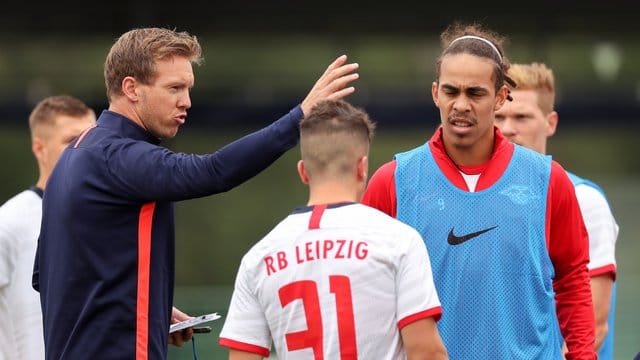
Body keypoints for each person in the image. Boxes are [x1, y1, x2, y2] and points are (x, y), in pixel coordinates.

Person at [32, 27, 359, 360]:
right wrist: (300, 116)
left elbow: (47, 275)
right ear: (131, 88)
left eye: (187, 88)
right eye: (174, 88)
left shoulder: (72, 156)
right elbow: (215, 171)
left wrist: (148, 307)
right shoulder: (119, 156)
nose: (186, 101)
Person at [362, 22, 596, 359]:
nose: (460, 104)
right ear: (434, 93)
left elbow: (573, 282)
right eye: (450, 91)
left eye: (475, 93)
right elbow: (369, 297)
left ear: (500, 97)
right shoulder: (393, 182)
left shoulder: (548, 180)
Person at [219, 99, 448, 359]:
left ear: (303, 172)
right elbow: (426, 353)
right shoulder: (400, 241)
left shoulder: (259, 258)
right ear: (362, 168)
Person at [494, 62, 619, 359]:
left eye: (522, 116)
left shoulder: (583, 199)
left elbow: (595, 326)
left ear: (550, 123)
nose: (508, 128)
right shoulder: (482, 197)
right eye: (499, 116)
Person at [0, 95, 95, 360]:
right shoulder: (10, 222)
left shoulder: (105, 218)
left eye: (91, 139)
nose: (84, 150)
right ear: (39, 148)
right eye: (71, 141)